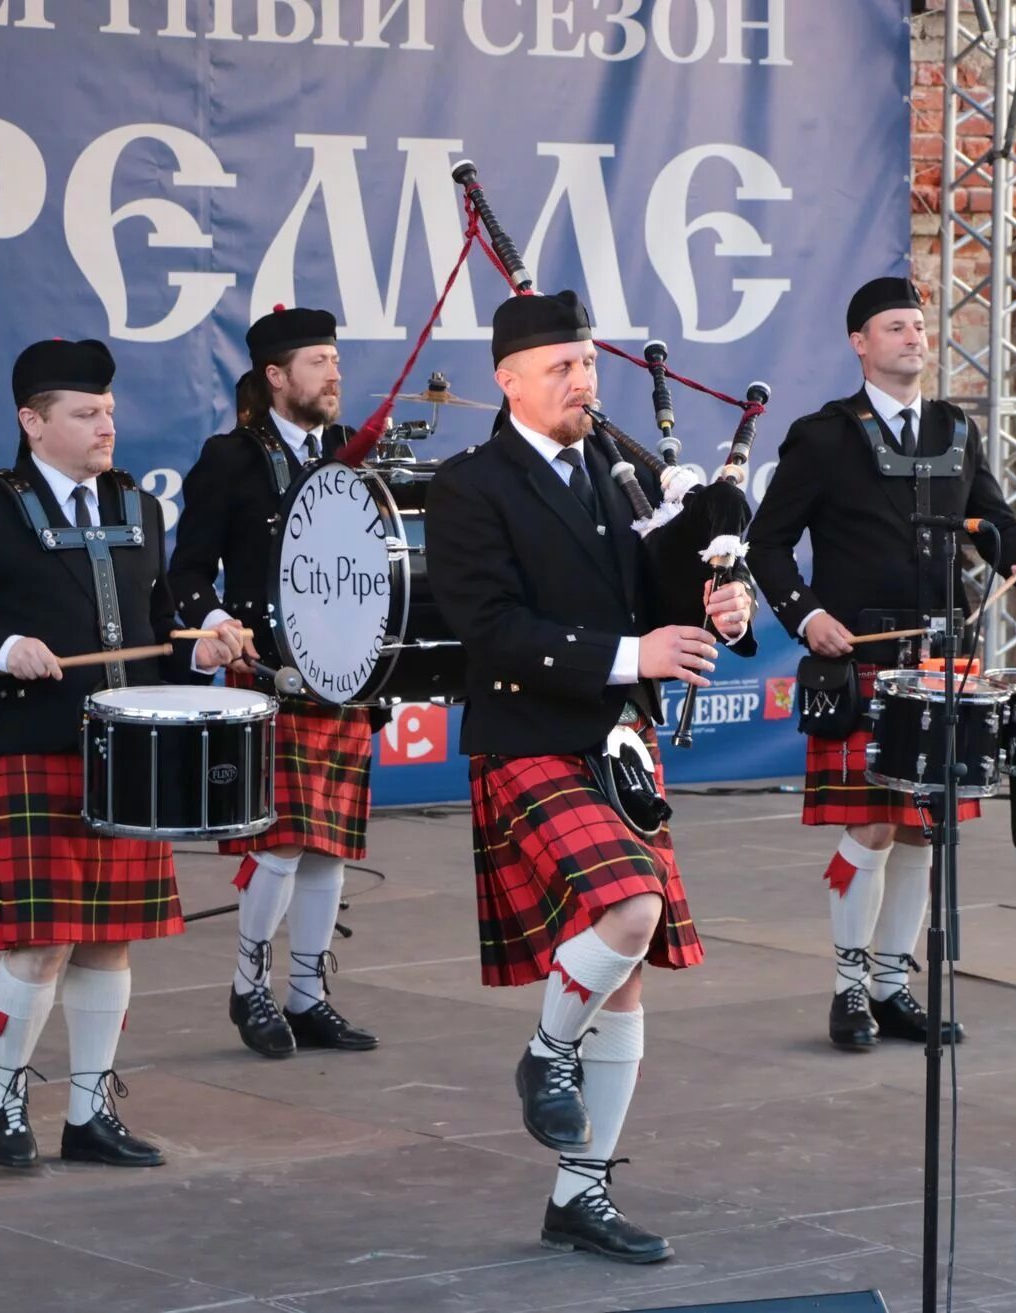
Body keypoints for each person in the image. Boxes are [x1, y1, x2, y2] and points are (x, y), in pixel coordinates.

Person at [425, 290, 757, 1264]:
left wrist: (717, 608)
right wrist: (633, 653)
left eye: (587, 364)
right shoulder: (470, 486)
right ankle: (543, 1052)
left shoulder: (621, 476)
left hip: (617, 745)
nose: (582, 381)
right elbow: (491, 632)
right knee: (627, 907)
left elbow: (664, 595)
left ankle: (581, 1191)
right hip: (528, 734)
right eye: (561, 367)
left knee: (622, 985)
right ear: (509, 379)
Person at [0, 338, 244, 1169]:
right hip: (35, 750)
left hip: (127, 757)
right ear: (32, 421)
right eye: (85, 414)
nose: (105, 427)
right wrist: (1, 644)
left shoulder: (138, 506)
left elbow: (161, 631)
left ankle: (89, 1113)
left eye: (109, 412)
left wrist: (202, 648)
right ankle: (4, 1104)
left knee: (108, 939)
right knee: (40, 941)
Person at [746, 275, 1016, 1051]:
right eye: (894, 326)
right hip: (863, 660)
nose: (914, 337)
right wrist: (808, 616)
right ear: (860, 342)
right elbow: (767, 544)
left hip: (944, 657)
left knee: (924, 829)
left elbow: (991, 519)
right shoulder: (824, 437)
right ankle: (848, 989)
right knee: (871, 827)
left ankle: (891, 985)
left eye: (918, 325)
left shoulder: (954, 430)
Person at [169, 305, 379, 1060]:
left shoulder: (350, 457)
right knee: (284, 844)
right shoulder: (231, 457)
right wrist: (222, 622)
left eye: (335, 359)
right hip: (268, 671)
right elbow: (185, 572)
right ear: (275, 375)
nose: (334, 373)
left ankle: (308, 994)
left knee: (329, 850)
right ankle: (247, 985)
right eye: (318, 360)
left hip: (346, 675)